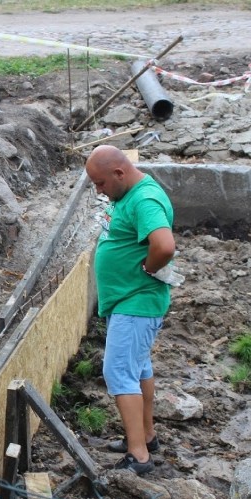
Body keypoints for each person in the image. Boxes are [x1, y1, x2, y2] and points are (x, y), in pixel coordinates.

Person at [86, 145, 182, 476]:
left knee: (118, 372)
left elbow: (164, 245)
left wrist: (147, 268)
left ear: (119, 173)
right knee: (138, 367)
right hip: (129, 301)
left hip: (137, 301)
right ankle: (146, 437)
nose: (99, 190)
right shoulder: (129, 194)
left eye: (100, 183)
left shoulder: (144, 200)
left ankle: (138, 456)